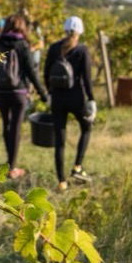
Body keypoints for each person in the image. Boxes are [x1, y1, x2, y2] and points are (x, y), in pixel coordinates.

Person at [0, 14, 48, 178]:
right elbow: (31, 71)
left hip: (1, 91)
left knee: (6, 124)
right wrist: (42, 92)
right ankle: (12, 166)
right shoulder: (22, 44)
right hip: (18, 92)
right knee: (15, 127)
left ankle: (9, 163)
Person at [43, 16, 95, 189]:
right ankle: (77, 166)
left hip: (57, 98)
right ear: (80, 32)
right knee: (86, 127)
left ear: (64, 30)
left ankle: (61, 181)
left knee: (60, 141)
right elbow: (87, 79)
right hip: (76, 98)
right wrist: (92, 99)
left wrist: (49, 93)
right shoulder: (82, 50)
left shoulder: (54, 48)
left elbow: (46, 73)